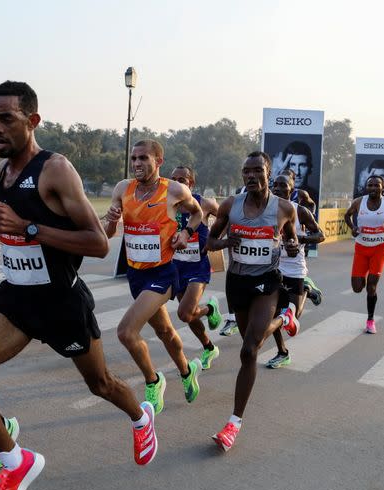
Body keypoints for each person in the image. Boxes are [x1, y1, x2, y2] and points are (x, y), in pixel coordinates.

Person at [0, 81, 157, 490]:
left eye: (6, 118)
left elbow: (97, 243)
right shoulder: (3, 172)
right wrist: (0, 229)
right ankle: (15, 461)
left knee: (100, 384)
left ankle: (140, 417)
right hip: (17, 301)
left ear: (32, 121)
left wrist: (26, 227)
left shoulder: (55, 168)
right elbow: (16, 232)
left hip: (62, 303)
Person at [205, 151, 301, 451]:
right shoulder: (230, 206)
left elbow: (292, 244)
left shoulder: (284, 209)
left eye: (256, 170)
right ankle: (285, 320)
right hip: (237, 282)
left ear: (267, 172)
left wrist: (293, 246)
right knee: (251, 344)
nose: (250, 176)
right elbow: (210, 242)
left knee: (248, 350)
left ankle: (233, 423)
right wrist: (224, 242)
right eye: (246, 171)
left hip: (267, 282)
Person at [104, 139, 204, 415]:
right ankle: (187, 371)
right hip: (136, 275)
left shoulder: (173, 190)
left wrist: (185, 233)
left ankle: (153, 380)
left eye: (143, 158)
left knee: (126, 332)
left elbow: (197, 213)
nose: (137, 163)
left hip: (162, 272)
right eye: (134, 158)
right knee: (164, 331)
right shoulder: (123, 189)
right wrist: (112, 219)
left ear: (158, 161)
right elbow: (109, 232)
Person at [266, 173, 325, 369]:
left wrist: (301, 239)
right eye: (275, 185)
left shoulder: (300, 212)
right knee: (272, 314)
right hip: (273, 267)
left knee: (293, 321)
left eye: (283, 185)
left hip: (295, 268)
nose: (278, 188)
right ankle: (282, 352)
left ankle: (307, 289)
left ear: (291, 190)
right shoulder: (265, 210)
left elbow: (320, 235)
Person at [169, 166, 223, 369]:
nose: (176, 182)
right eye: (173, 179)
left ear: (191, 183)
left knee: (184, 313)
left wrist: (215, 238)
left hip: (198, 268)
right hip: (176, 267)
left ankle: (210, 308)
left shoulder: (204, 203)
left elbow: (224, 217)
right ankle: (209, 347)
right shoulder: (168, 204)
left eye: (181, 179)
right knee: (189, 316)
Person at [344, 175, 384, 334]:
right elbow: (347, 215)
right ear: (367, 187)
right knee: (357, 288)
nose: (372, 188)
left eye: (376, 185)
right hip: (361, 248)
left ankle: (370, 320)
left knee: (372, 287)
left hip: (379, 248)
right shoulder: (359, 202)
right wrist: (353, 227)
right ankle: (363, 276)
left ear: (382, 188)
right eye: (370, 185)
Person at [271, 142, 317, 211]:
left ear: (310, 168)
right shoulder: (272, 193)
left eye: (302, 165)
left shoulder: (315, 196)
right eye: (292, 165)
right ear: (285, 167)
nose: (297, 172)